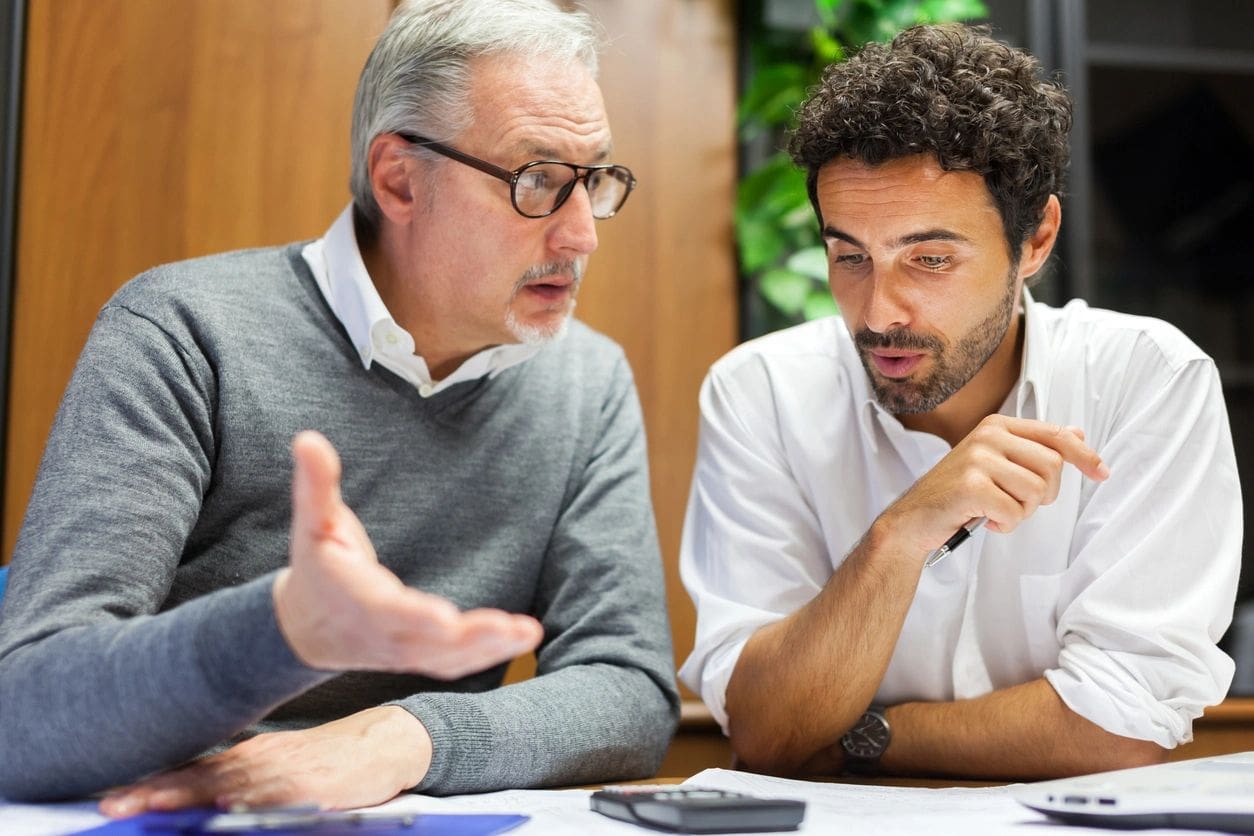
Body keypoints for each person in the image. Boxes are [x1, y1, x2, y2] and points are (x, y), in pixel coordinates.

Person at [0, 0, 678, 812]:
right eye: (537, 180)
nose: (582, 236)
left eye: (593, 179)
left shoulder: (585, 379)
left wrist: (401, 738)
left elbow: (629, 687)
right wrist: (285, 629)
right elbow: (24, 712)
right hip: (165, 815)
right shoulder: (181, 331)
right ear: (399, 178)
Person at [680, 23, 1240, 780]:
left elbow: (1120, 724)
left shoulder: (1147, 380)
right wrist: (902, 533)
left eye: (931, 258)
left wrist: (861, 735)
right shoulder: (762, 393)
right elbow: (767, 729)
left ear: (1036, 239)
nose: (879, 312)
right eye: (849, 255)